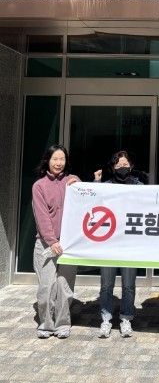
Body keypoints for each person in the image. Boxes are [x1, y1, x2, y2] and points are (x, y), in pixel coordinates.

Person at [94, 150, 143, 338]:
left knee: (129, 285)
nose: (122, 167)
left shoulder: (139, 187)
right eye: (118, 165)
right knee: (106, 285)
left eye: (125, 164)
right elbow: (91, 202)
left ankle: (126, 318)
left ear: (131, 166)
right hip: (108, 243)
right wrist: (96, 182)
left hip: (130, 243)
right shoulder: (106, 187)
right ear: (112, 167)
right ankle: (106, 318)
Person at [32, 144, 79, 339]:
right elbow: (42, 217)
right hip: (46, 244)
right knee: (46, 287)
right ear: (47, 161)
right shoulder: (39, 186)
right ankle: (45, 323)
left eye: (62, 159)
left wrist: (82, 183)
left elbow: (86, 201)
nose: (59, 163)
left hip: (68, 245)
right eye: (55, 159)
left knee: (64, 286)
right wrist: (52, 241)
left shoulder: (72, 182)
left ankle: (62, 323)